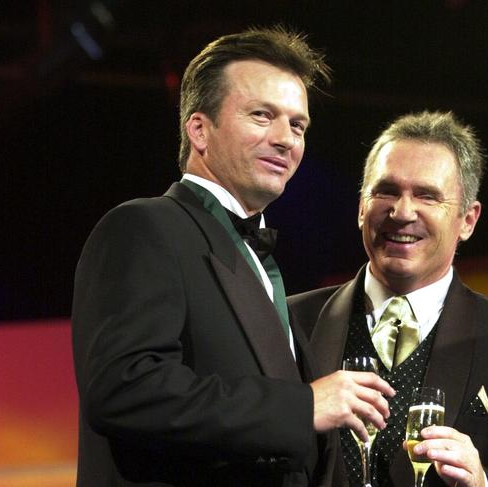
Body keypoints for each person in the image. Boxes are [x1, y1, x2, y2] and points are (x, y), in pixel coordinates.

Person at [72, 26, 394, 487]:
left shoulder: (256, 254)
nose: (286, 139)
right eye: (263, 116)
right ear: (200, 130)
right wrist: (305, 406)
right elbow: (126, 389)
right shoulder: (143, 227)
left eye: (297, 125)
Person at [288, 111, 488, 487]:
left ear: (468, 220)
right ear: (361, 206)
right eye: (386, 191)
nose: (402, 212)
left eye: (427, 196)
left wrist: (484, 483)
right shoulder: (286, 320)